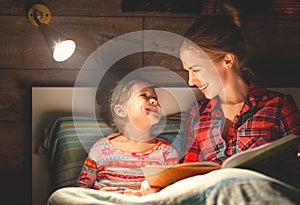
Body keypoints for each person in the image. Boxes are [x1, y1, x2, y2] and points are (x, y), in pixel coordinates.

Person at [179, 4, 300, 166]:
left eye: (196, 69)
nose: (191, 81)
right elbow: (184, 174)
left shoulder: (279, 107)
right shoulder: (196, 114)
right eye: (188, 71)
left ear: (227, 60)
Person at [77, 79, 178, 196]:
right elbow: (82, 189)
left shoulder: (166, 151)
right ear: (121, 111)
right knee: (59, 196)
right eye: (144, 95)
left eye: (155, 98)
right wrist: (98, 194)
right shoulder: (100, 148)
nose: (154, 101)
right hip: (106, 202)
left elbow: (174, 191)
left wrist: (154, 193)